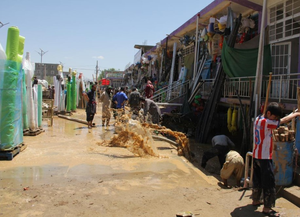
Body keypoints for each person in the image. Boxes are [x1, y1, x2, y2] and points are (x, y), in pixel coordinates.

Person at [252, 102, 300, 217]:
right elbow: (283, 121)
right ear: (268, 113)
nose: (275, 120)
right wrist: (296, 114)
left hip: (256, 155)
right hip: (264, 157)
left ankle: (255, 200)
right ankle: (267, 208)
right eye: (274, 117)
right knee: (269, 182)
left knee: (257, 179)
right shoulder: (267, 122)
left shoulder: (258, 119)